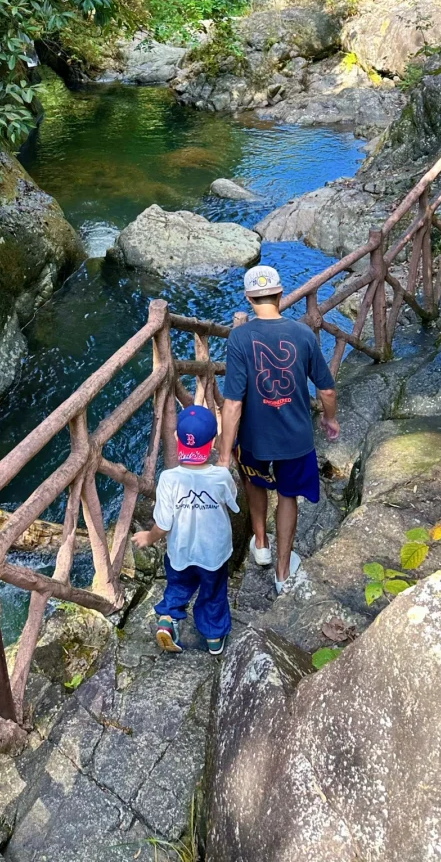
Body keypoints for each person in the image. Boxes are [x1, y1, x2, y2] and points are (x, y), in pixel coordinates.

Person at [218, 264, 339, 594]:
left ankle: (260, 543)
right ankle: (283, 573)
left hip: (254, 438)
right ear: (281, 293)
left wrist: (224, 452)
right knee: (288, 496)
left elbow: (233, 403)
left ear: (248, 298)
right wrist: (330, 419)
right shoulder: (302, 334)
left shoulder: (240, 337)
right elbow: (326, 390)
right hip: (295, 437)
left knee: (254, 481)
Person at [132, 403, 239, 656]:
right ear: (213, 442)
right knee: (213, 593)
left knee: (178, 586)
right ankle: (213, 638)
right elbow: (233, 504)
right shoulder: (221, 477)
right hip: (213, 554)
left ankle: (168, 621)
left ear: (178, 438)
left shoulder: (168, 479)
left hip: (180, 552)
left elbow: (164, 524)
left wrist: (149, 536)